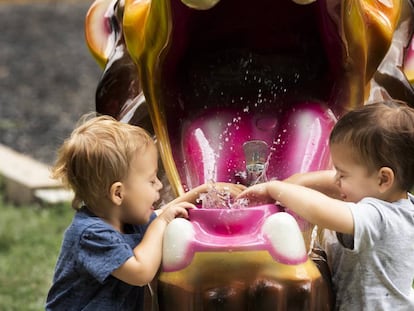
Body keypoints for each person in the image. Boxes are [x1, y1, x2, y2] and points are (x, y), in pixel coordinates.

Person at [45, 113, 244, 311]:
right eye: (151, 180)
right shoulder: (91, 235)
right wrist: (160, 223)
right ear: (118, 193)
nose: (159, 185)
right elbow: (141, 272)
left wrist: (202, 192)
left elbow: (165, 212)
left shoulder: (125, 220)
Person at [236, 100, 414, 310]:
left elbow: (320, 211)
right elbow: (330, 179)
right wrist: (295, 182)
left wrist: (275, 189)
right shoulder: (395, 200)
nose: (336, 179)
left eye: (343, 173)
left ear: (383, 179)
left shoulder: (382, 219)